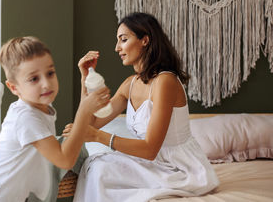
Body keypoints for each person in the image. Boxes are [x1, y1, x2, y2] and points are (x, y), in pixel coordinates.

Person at [64, 12, 219, 202]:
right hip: (151, 163)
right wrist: (86, 77)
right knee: (95, 165)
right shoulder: (130, 84)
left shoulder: (165, 81)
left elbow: (150, 149)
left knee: (101, 170)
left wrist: (96, 136)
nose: (117, 48)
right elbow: (93, 121)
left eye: (123, 39)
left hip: (180, 169)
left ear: (145, 40)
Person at [0, 36, 110, 202]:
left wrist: (85, 78)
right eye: (34, 79)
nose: (46, 83)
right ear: (14, 88)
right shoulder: (25, 117)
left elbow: (84, 115)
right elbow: (65, 160)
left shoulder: (39, 105)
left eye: (50, 73)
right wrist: (84, 111)